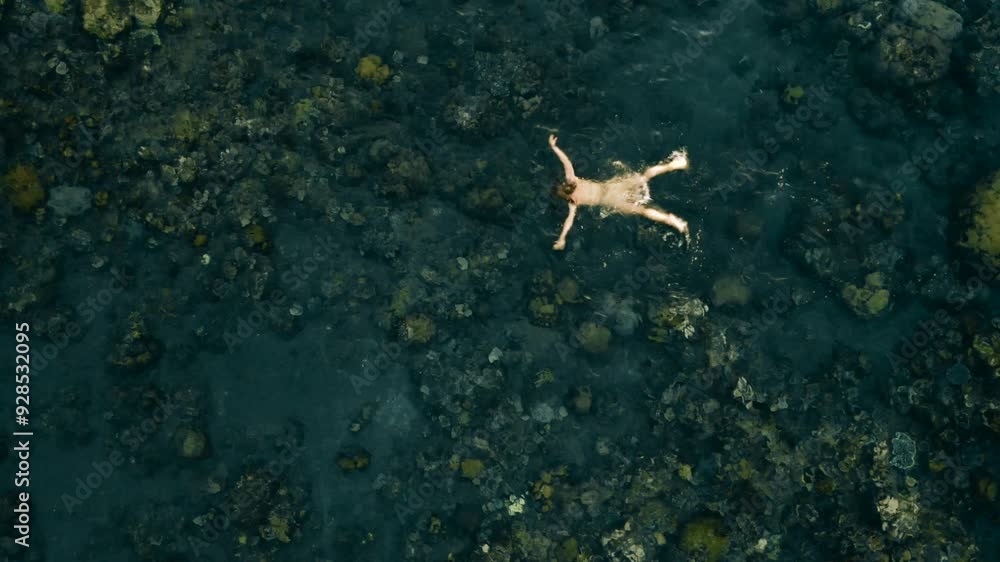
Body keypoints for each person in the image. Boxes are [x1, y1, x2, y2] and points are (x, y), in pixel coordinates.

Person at [549, 134, 689, 250]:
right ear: (564, 185)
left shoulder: (573, 202)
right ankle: (675, 164)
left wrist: (562, 238)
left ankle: (674, 221)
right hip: (611, 188)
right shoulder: (573, 180)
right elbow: (566, 162)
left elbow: (569, 221)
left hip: (611, 201)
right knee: (644, 177)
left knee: (642, 210)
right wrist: (554, 147)